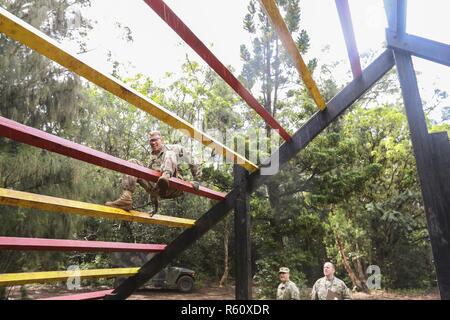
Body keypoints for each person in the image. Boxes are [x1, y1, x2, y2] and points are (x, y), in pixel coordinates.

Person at [105, 131, 202, 214]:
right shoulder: (152, 161)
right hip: (161, 190)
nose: (153, 142)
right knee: (133, 163)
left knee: (170, 154)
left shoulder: (175, 149)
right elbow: (153, 186)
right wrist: (155, 207)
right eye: (151, 141)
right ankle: (126, 199)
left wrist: (196, 180)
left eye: (156, 140)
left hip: (174, 186)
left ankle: (166, 175)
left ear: (162, 140)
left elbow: (192, 159)